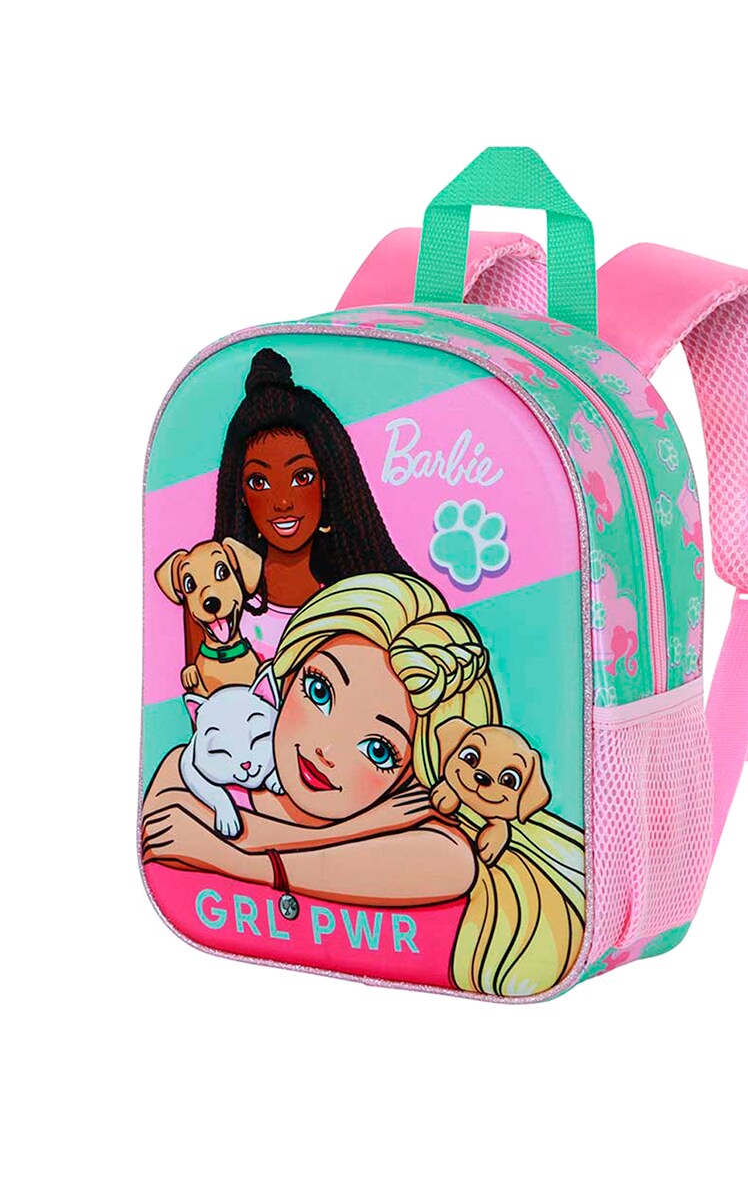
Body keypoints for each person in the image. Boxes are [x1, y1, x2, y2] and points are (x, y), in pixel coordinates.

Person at [143, 573, 585, 996]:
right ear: (286, 678)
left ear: (415, 767)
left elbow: (453, 863)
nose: (326, 751)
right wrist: (366, 825)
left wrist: (231, 859)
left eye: (378, 749)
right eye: (319, 691)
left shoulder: (437, 841)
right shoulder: (198, 766)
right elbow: (170, 823)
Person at [202, 346, 413, 662]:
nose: (283, 502)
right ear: (240, 495)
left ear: (327, 481)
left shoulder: (368, 602)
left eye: (302, 477)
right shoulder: (218, 604)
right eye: (259, 482)